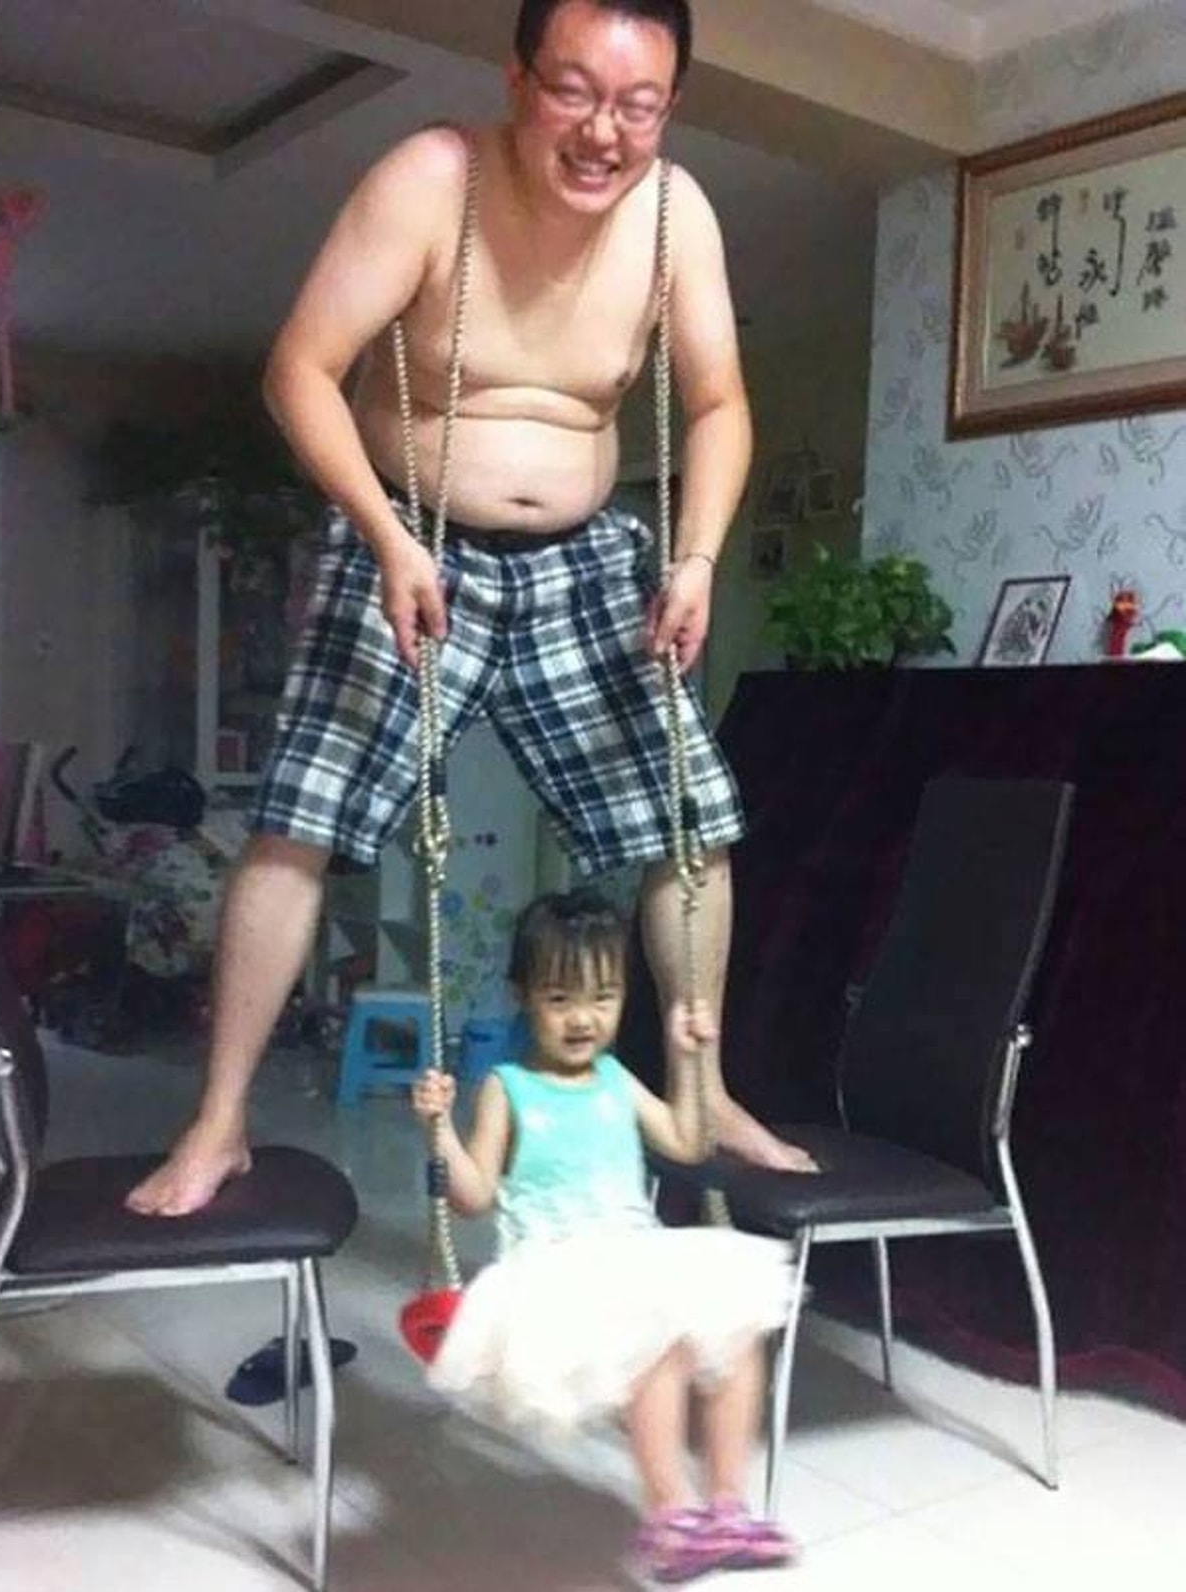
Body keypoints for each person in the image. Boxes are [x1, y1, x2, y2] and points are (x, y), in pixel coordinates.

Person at [128, 0, 814, 1219]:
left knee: (690, 819)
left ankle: (703, 1094)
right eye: (575, 91)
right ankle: (220, 1119)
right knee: (298, 822)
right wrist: (385, 535)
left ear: (668, 108)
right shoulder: (431, 180)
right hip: (416, 542)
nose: (604, 132)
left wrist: (701, 555)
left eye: (639, 105)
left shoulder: (676, 213)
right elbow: (299, 368)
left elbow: (719, 402)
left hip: (583, 560)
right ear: (518, 80)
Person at [412, 889, 800, 1583]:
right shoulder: (508, 1088)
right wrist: (438, 1130)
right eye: (560, 999)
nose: (583, 1018)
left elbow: (687, 1142)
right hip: (554, 1267)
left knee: (737, 1328)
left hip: (631, 1252)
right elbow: (473, 1198)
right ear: (523, 996)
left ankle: (728, 1506)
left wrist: (688, 1058)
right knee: (657, 1341)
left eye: (603, 997)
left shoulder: (617, 1080)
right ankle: (671, 1514)